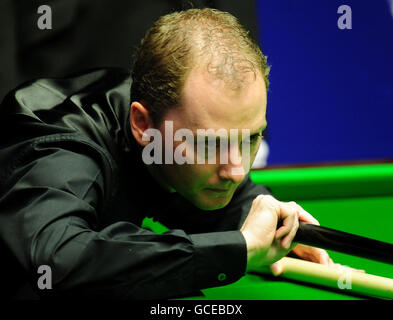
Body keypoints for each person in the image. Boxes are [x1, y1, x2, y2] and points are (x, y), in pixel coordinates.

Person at [0, 8, 333, 300]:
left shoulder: (171, 131)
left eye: (250, 138)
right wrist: (238, 249)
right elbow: (58, 259)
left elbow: (212, 198)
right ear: (142, 124)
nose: (235, 170)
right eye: (211, 143)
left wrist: (269, 218)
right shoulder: (60, 143)